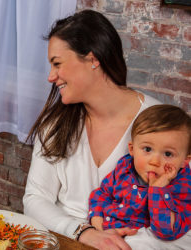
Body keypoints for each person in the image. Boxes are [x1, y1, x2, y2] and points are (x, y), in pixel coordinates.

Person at [23, 9, 161, 250]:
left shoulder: (159, 124)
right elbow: (35, 200)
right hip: (64, 241)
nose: (51, 76)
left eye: (57, 64)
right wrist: (82, 232)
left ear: (93, 59)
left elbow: (180, 216)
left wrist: (121, 244)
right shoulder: (55, 125)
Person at [88, 104, 191, 249]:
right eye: (147, 149)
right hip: (105, 232)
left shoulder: (183, 187)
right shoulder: (125, 168)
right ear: (132, 149)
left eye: (168, 154)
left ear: (185, 161)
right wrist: (97, 222)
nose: (154, 162)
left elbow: (166, 232)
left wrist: (158, 189)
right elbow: (102, 193)